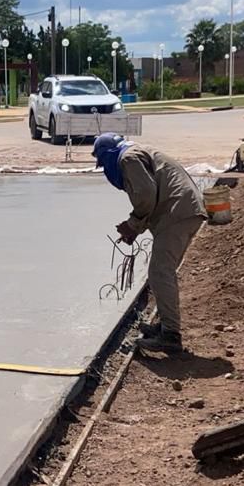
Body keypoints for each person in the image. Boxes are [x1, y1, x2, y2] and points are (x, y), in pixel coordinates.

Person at [93, 133, 206, 354]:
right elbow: (151, 196)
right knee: (161, 272)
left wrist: (132, 225)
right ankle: (165, 326)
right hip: (182, 210)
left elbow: (146, 194)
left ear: (107, 156)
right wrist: (136, 227)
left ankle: (170, 336)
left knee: (160, 272)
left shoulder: (127, 158)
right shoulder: (137, 152)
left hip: (177, 212)